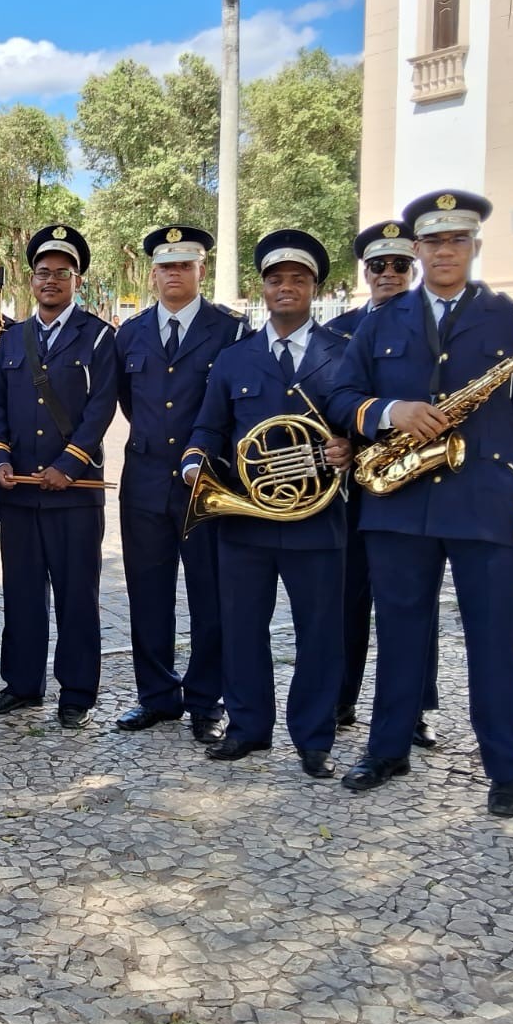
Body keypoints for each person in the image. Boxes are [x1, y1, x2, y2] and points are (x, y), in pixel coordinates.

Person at [328, 190, 513, 817]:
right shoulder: (381, 320)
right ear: (418, 249)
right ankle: (388, 748)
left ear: (474, 245)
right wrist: (389, 412)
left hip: (484, 502)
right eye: (433, 241)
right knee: (399, 633)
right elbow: (342, 395)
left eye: (457, 239)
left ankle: (506, 768)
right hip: (399, 502)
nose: (445, 251)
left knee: (494, 639)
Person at [182, 230, 351, 778]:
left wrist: (349, 448)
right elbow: (208, 427)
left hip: (316, 521)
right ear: (263, 288)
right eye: (276, 280)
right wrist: (194, 464)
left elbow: (362, 425)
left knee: (319, 634)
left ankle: (314, 738)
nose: (286, 288)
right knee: (241, 628)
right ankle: (248, 727)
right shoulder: (235, 359)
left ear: (314, 287)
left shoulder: (343, 354)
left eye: (298, 279)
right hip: (246, 521)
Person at [0, 225, 118, 728]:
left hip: (74, 494)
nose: (52, 280)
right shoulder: (13, 338)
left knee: (76, 596)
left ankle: (77, 693)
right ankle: (21, 684)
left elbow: (101, 409)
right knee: (20, 592)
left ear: (77, 280)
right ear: (31, 279)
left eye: (62, 272)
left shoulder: (99, 336)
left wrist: (68, 464)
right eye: (43, 272)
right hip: (19, 491)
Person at [114, 226, 249, 743]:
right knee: (148, 594)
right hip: (144, 481)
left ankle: (204, 700)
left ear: (201, 270)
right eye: (166, 266)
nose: (174, 273)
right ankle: (156, 696)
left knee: (209, 596)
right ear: (153, 274)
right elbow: (129, 400)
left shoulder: (230, 330)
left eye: (184, 265)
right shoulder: (131, 332)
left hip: (206, 482)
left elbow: (234, 405)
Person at [326, 221, 440, 746]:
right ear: (365, 271)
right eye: (378, 265)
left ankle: (412, 709)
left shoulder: (431, 325)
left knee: (414, 601)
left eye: (399, 265)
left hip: (413, 481)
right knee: (346, 596)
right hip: (351, 485)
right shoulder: (338, 330)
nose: (388, 273)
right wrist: (340, 442)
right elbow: (328, 400)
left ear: (412, 267)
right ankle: (341, 697)